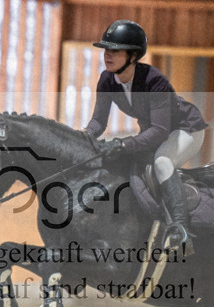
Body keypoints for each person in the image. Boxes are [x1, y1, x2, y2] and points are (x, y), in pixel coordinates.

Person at [83, 19, 207, 250]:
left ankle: (181, 229)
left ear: (133, 55)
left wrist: (123, 144)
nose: (107, 55)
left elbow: (160, 131)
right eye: (106, 50)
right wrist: (81, 137)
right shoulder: (107, 79)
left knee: (162, 161)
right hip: (154, 132)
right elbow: (99, 122)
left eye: (115, 50)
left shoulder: (154, 80)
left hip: (186, 129)